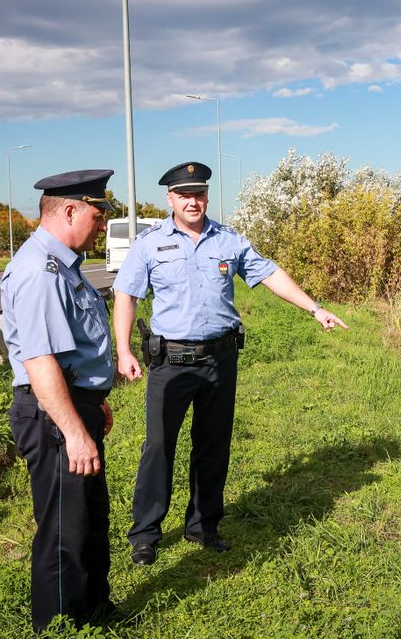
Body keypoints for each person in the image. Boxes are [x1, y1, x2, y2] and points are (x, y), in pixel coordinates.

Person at [113, 161, 347, 566]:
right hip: (171, 362)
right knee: (159, 446)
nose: (193, 201)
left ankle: (203, 525)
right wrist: (123, 350)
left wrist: (315, 308)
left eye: (199, 194)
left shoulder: (228, 240)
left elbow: (270, 274)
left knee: (213, 444)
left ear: (206, 196)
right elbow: (126, 296)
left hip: (220, 360)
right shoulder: (150, 244)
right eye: (184, 195)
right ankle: (145, 534)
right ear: (170, 199)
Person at [0, 168, 118, 631]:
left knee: (89, 519)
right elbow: (41, 361)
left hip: (72, 405)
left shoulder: (64, 264)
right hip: (54, 416)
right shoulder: (40, 272)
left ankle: (94, 614)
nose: (103, 223)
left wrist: (93, 401)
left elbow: (73, 350)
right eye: (98, 213)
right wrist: (73, 430)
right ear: (70, 210)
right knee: (64, 533)